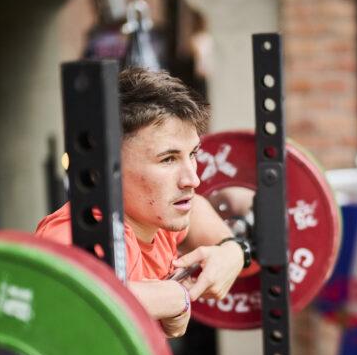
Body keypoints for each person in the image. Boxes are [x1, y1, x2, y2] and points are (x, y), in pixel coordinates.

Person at [35, 67, 246, 338]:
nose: (192, 179)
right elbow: (68, 301)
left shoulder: (159, 218)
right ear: (108, 167)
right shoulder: (73, 233)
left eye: (192, 154)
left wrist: (233, 251)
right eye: (168, 159)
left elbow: (197, 210)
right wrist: (176, 296)